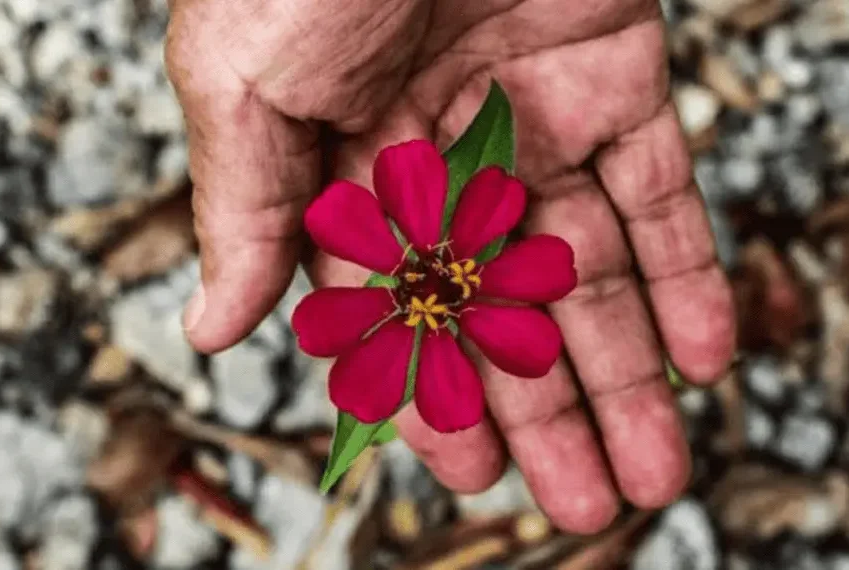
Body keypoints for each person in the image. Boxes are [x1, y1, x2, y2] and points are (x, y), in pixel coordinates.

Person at [164, 0, 736, 534]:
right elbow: (332, 315)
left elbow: (493, 228)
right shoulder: (420, 266)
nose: (428, 293)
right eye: (423, 291)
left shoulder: (450, 252)